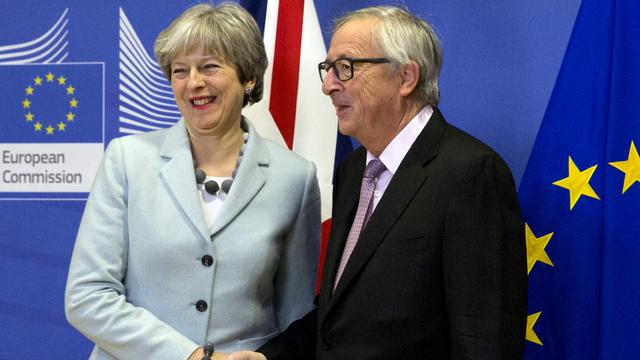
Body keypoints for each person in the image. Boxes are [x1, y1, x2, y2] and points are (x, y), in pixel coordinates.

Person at [226, 5, 527, 360]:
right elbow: (340, 316)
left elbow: (483, 342)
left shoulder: (470, 174)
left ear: (406, 78)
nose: (326, 85)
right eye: (328, 69)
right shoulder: (354, 170)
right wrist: (267, 357)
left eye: (345, 68)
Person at [64, 3, 320, 360]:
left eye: (210, 67)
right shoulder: (127, 160)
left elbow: (296, 315)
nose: (194, 82)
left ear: (248, 77)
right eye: (180, 71)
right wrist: (192, 356)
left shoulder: (296, 178)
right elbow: (87, 296)